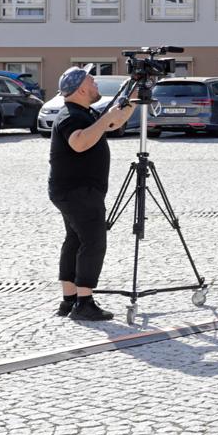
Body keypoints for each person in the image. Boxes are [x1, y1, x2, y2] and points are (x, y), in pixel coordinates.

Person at [48, 68, 137, 319]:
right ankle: (84, 303)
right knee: (93, 242)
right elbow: (79, 143)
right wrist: (103, 119)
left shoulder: (82, 113)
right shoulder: (70, 116)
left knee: (75, 240)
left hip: (74, 190)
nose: (95, 82)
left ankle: (69, 300)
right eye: (91, 80)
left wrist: (133, 98)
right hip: (78, 191)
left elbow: (111, 122)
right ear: (81, 89)